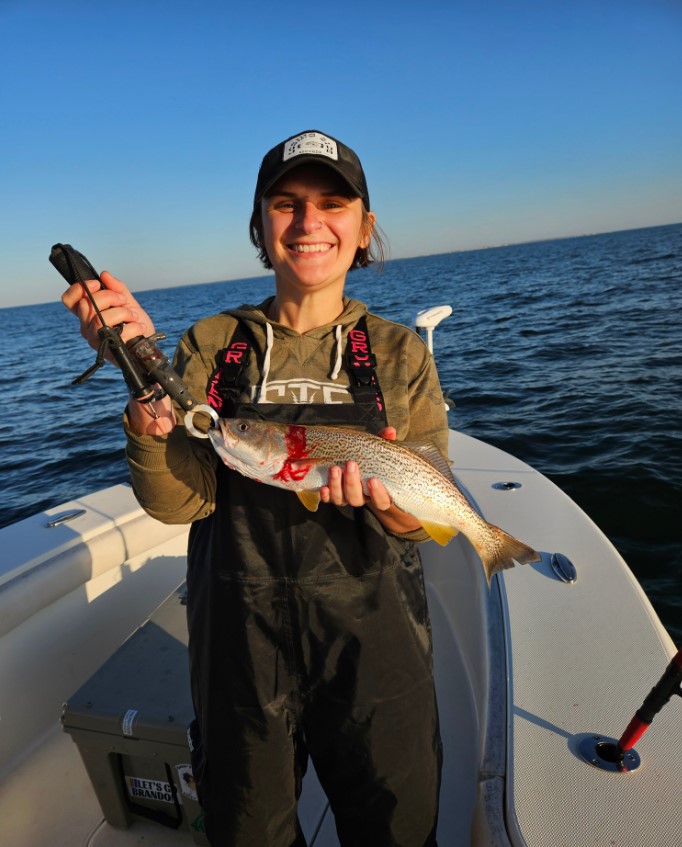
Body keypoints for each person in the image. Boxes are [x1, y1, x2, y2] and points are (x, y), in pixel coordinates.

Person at [63, 130, 449, 847]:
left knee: (397, 826)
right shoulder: (213, 343)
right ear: (260, 224)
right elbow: (183, 501)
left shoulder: (398, 354)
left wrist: (397, 509)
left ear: (364, 229)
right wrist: (146, 408)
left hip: (374, 642)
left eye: (333, 204)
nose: (308, 222)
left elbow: (421, 518)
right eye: (285, 203)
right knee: (247, 831)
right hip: (238, 644)